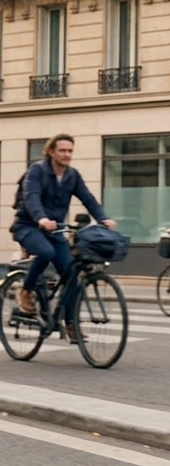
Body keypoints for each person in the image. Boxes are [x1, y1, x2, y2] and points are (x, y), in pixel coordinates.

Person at [11, 134, 116, 327]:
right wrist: (41, 218)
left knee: (71, 276)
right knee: (45, 252)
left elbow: (88, 198)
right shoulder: (37, 170)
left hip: (56, 230)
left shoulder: (71, 175)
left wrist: (103, 218)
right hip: (28, 226)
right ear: (51, 152)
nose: (67, 155)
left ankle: (70, 325)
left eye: (70, 151)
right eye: (62, 150)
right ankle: (25, 291)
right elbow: (31, 196)